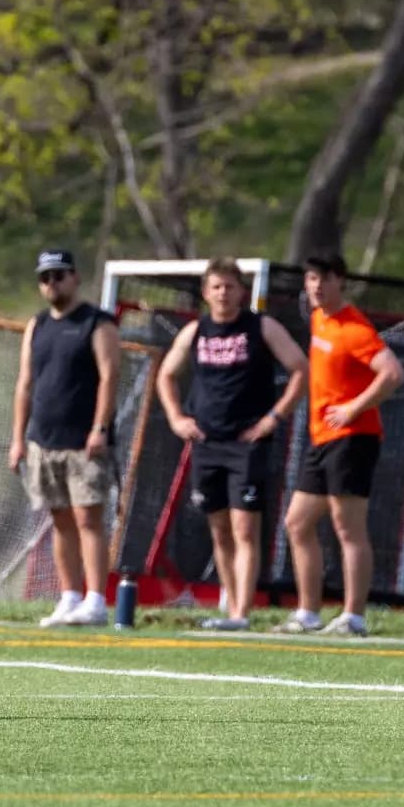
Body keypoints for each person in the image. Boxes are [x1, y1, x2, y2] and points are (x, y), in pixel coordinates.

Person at [155, 258, 307, 631]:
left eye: (230, 286)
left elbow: (301, 368)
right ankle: (230, 604)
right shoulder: (194, 332)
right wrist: (177, 418)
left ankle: (241, 612)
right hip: (207, 443)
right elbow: (166, 375)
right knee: (219, 529)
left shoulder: (262, 327)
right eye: (216, 287)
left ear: (243, 291)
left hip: (247, 443)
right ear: (206, 293)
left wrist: (274, 417)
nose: (223, 293)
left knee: (244, 529)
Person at [281, 254, 404, 636]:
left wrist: (353, 408)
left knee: (347, 528)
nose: (316, 286)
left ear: (341, 282)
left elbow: (393, 373)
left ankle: (353, 617)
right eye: (311, 279)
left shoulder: (354, 328)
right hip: (322, 440)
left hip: (352, 439)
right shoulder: (320, 318)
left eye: (325, 279)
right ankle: (308, 613)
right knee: (297, 523)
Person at [9, 247, 122, 627]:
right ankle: (69, 597)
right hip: (44, 438)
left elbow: (109, 377)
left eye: (59, 275)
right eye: (45, 277)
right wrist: (18, 438)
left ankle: (95, 600)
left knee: (89, 518)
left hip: (83, 440)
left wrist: (100, 428)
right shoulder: (37, 325)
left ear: (74, 277)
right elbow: (25, 384)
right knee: (59, 520)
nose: (52, 283)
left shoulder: (97, 322)